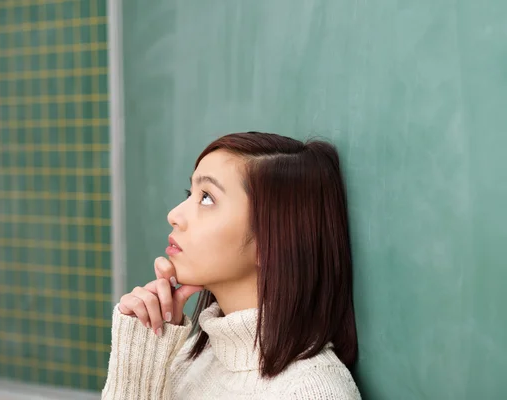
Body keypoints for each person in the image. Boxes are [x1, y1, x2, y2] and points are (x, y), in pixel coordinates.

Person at [102, 132, 361, 399]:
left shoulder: (311, 392)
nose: (174, 215)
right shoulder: (195, 357)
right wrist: (144, 349)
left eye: (206, 198)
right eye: (190, 193)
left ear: (273, 239)